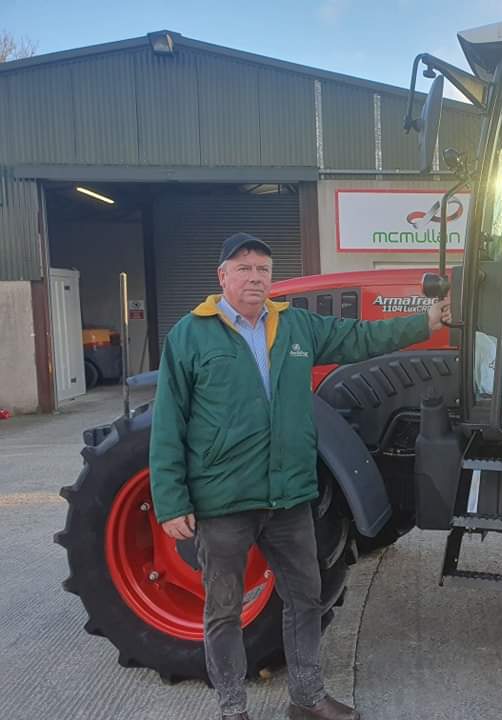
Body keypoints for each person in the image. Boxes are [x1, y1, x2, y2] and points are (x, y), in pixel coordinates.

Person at [149, 232, 451, 720]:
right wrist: (171, 500)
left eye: (263, 269)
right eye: (243, 268)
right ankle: (232, 710)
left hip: (288, 498)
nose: (254, 277)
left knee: (306, 599)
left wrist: (426, 321)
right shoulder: (190, 334)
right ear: (222, 276)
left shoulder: (295, 326)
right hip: (223, 502)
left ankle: (307, 699)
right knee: (224, 611)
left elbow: (361, 338)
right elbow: (168, 422)